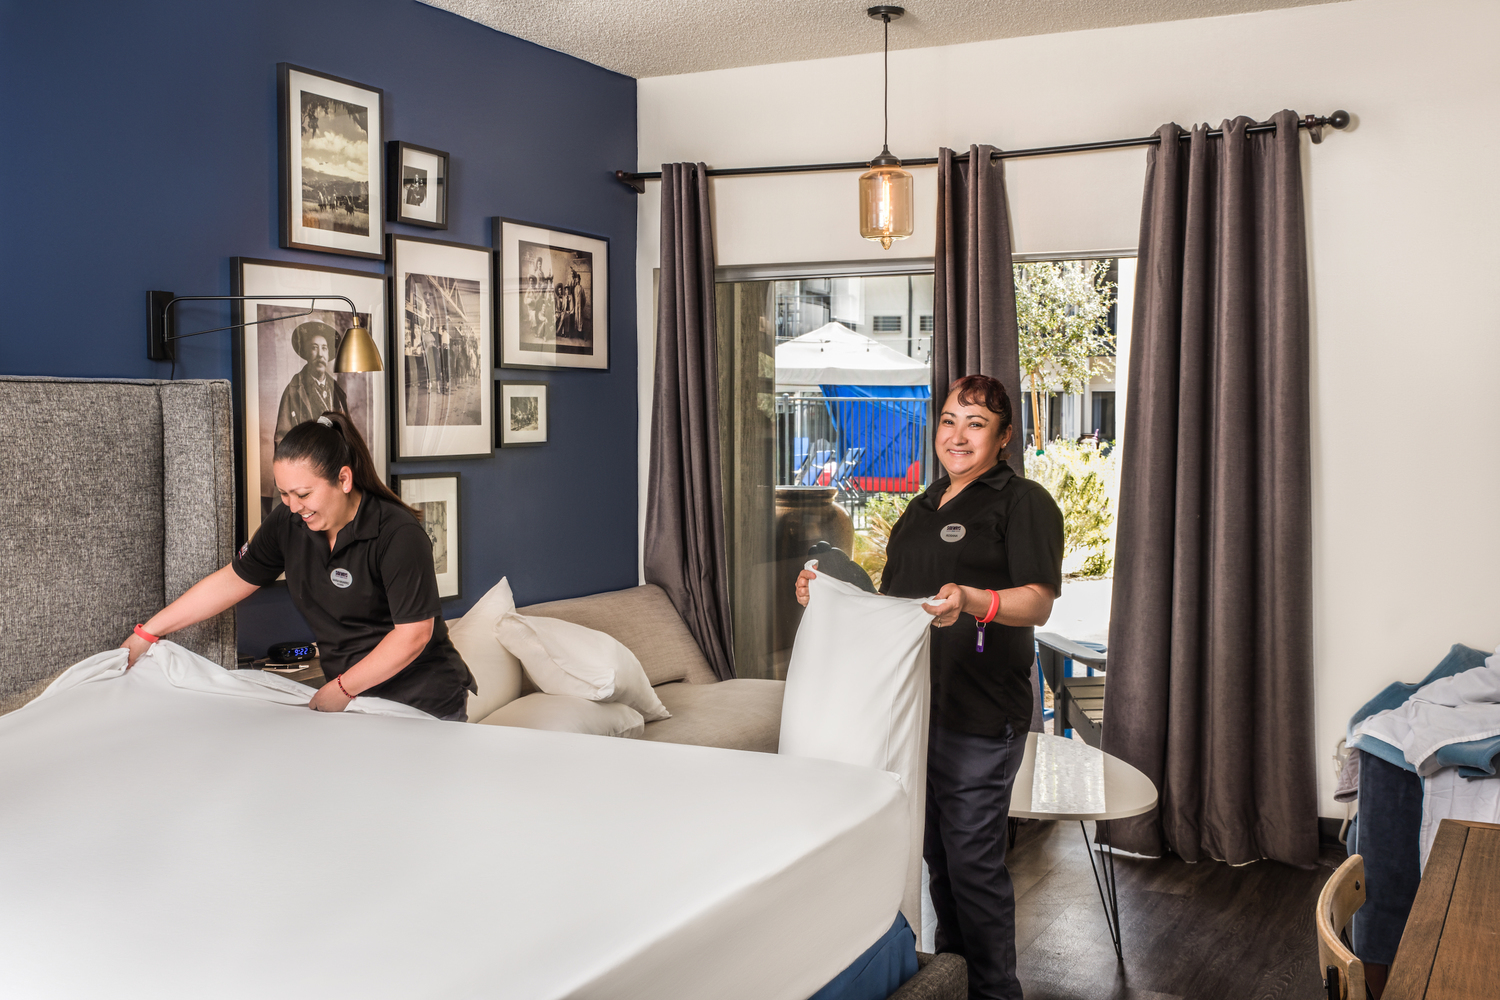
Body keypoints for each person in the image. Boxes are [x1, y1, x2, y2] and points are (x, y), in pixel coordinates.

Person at [796, 373, 1063, 1000]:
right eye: (949, 420)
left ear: (1003, 437)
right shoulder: (922, 508)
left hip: (982, 715)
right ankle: (953, 979)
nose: (958, 435)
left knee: (972, 865)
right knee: (937, 860)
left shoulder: (1023, 502)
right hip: (915, 709)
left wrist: (973, 600)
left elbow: (1037, 602)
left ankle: (996, 992)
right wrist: (828, 593)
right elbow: (895, 603)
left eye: (976, 423)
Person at [122, 412, 476, 720]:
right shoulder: (288, 524)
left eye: (303, 494)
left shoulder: (397, 534)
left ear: (344, 479)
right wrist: (148, 633)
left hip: (422, 700)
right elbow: (232, 580)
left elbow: (413, 635)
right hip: (355, 700)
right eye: (284, 493)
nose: (293, 506)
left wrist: (342, 688)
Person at [274, 321, 348, 447]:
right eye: (314, 348)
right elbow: (281, 439)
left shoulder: (338, 391)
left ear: (328, 354)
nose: (320, 354)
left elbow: (348, 435)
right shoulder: (293, 390)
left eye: (324, 348)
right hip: (307, 456)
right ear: (307, 353)